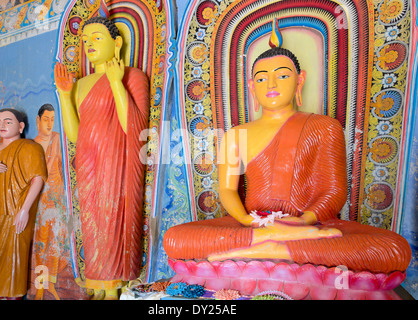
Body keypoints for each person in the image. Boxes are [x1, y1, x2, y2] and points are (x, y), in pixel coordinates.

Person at [163, 25, 411, 275]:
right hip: (256, 224)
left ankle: (263, 249)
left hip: (310, 225)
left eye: (282, 75)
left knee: (393, 249)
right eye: (261, 78)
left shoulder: (324, 127)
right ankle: (270, 244)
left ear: (299, 79)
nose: (270, 83)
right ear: (251, 86)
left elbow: (333, 191)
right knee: (174, 238)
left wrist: (302, 221)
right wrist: (248, 220)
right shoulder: (235, 135)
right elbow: (227, 189)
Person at [54, 16, 149, 299]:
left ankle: (113, 286)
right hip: (87, 161)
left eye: (96, 37)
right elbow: (74, 134)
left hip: (116, 160)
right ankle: (97, 282)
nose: (89, 44)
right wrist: (64, 95)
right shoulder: (81, 84)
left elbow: (133, 125)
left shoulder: (133, 75)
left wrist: (116, 82)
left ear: (116, 42)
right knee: (92, 223)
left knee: (112, 217)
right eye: (85, 40)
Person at [0, 108, 47, 299]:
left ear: (21, 126)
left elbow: (37, 180)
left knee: (15, 257)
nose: (2, 126)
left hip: (17, 211)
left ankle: (13, 296)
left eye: (8, 121)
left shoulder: (30, 148)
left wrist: (24, 210)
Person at [30, 103, 69, 300]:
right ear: (38, 120)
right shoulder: (32, 145)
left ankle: (50, 284)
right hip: (41, 199)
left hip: (58, 196)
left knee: (56, 241)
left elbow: (65, 167)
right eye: (46, 119)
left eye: (52, 120)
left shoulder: (56, 139)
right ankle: (39, 288)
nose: (49, 123)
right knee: (41, 244)